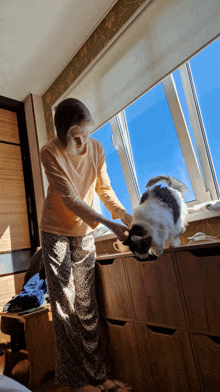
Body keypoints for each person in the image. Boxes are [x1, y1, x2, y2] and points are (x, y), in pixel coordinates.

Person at [40, 98, 132, 392]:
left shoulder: (97, 149)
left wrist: (123, 213)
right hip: (55, 231)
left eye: (85, 133)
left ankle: (98, 376)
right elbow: (70, 198)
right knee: (65, 307)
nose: (81, 141)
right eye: (74, 136)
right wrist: (108, 224)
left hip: (84, 233)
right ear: (61, 132)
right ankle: (75, 382)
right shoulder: (49, 152)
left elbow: (104, 188)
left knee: (86, 306)